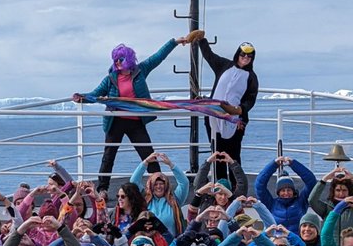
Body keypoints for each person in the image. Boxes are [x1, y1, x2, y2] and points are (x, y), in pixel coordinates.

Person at [73, 31, 204, 194]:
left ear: (128, 59)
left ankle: (159, 185)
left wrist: (175, 42)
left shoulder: (140, 70)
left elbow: (158, 57)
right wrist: (82, 98)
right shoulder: (111, 78)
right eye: (115, 60)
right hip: (116, 121)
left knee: (147, 153)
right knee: (108, 155)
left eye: (121, 59)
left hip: (136, 121)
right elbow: (96, 93)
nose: (118, 63)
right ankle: (103, 189)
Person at [193, 34, 259, 162]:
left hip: (235, 119)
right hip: (213, 115)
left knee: (233, 155)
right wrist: (201, 40)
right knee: (217, 154)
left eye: (249, 56)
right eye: (243, 54)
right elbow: (209, 56)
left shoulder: (251, 77)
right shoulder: (224, 65)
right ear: (237, 54)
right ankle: (220, 181)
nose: (245, 58)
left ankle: (236, 182)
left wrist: (240, 110)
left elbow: (251, 98)